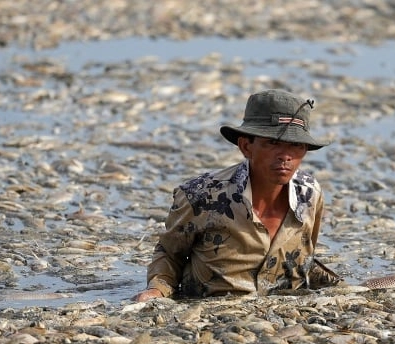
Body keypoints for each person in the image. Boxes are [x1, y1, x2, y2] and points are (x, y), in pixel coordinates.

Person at [133, 89, 340, 301]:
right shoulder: (202, 195)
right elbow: (169, 253)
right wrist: (156, 291)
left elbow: (306, 256)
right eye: (273, 143)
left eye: (296, 145)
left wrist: (341, 290)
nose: (286, 156)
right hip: (210, 311)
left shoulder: (310, 193)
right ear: (246, 146)